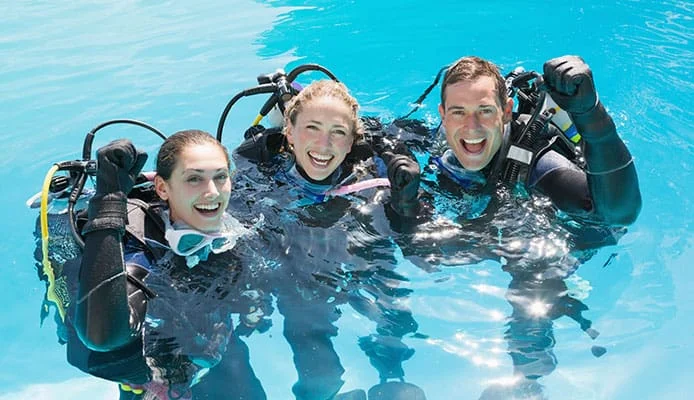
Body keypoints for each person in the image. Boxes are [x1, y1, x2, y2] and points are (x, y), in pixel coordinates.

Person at [385, 55, 641, 395]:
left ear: (505, 112)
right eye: (459, 112)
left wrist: (592, 117)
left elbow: (618, 215)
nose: (472, 127)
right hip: (491, 229)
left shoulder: (540, 164)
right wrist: (404, 205)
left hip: (558, 237)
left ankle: (527, 382)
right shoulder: (431, 144)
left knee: (534, 273)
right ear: (442, 115)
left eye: (485, 111)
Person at [194, 80, 427, 400]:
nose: (323, 144)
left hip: (361, 254)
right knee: (308, 336)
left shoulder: (373, 179)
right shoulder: (258, 175)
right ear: (289, 132)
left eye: (337, 132)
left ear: (351, 143)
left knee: (395, 313)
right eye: (312, 128)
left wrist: (408, 205)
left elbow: (415, 245)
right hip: (296, 270)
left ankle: (391, 374)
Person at [72, 129, 263, 399]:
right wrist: (109, 202)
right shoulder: (142, 248)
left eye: (220, 177)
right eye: (194, 179)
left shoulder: (239, 227)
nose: (212, 192)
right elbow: (103, 337)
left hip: (218, 351)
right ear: (162, 188)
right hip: (153, 375)